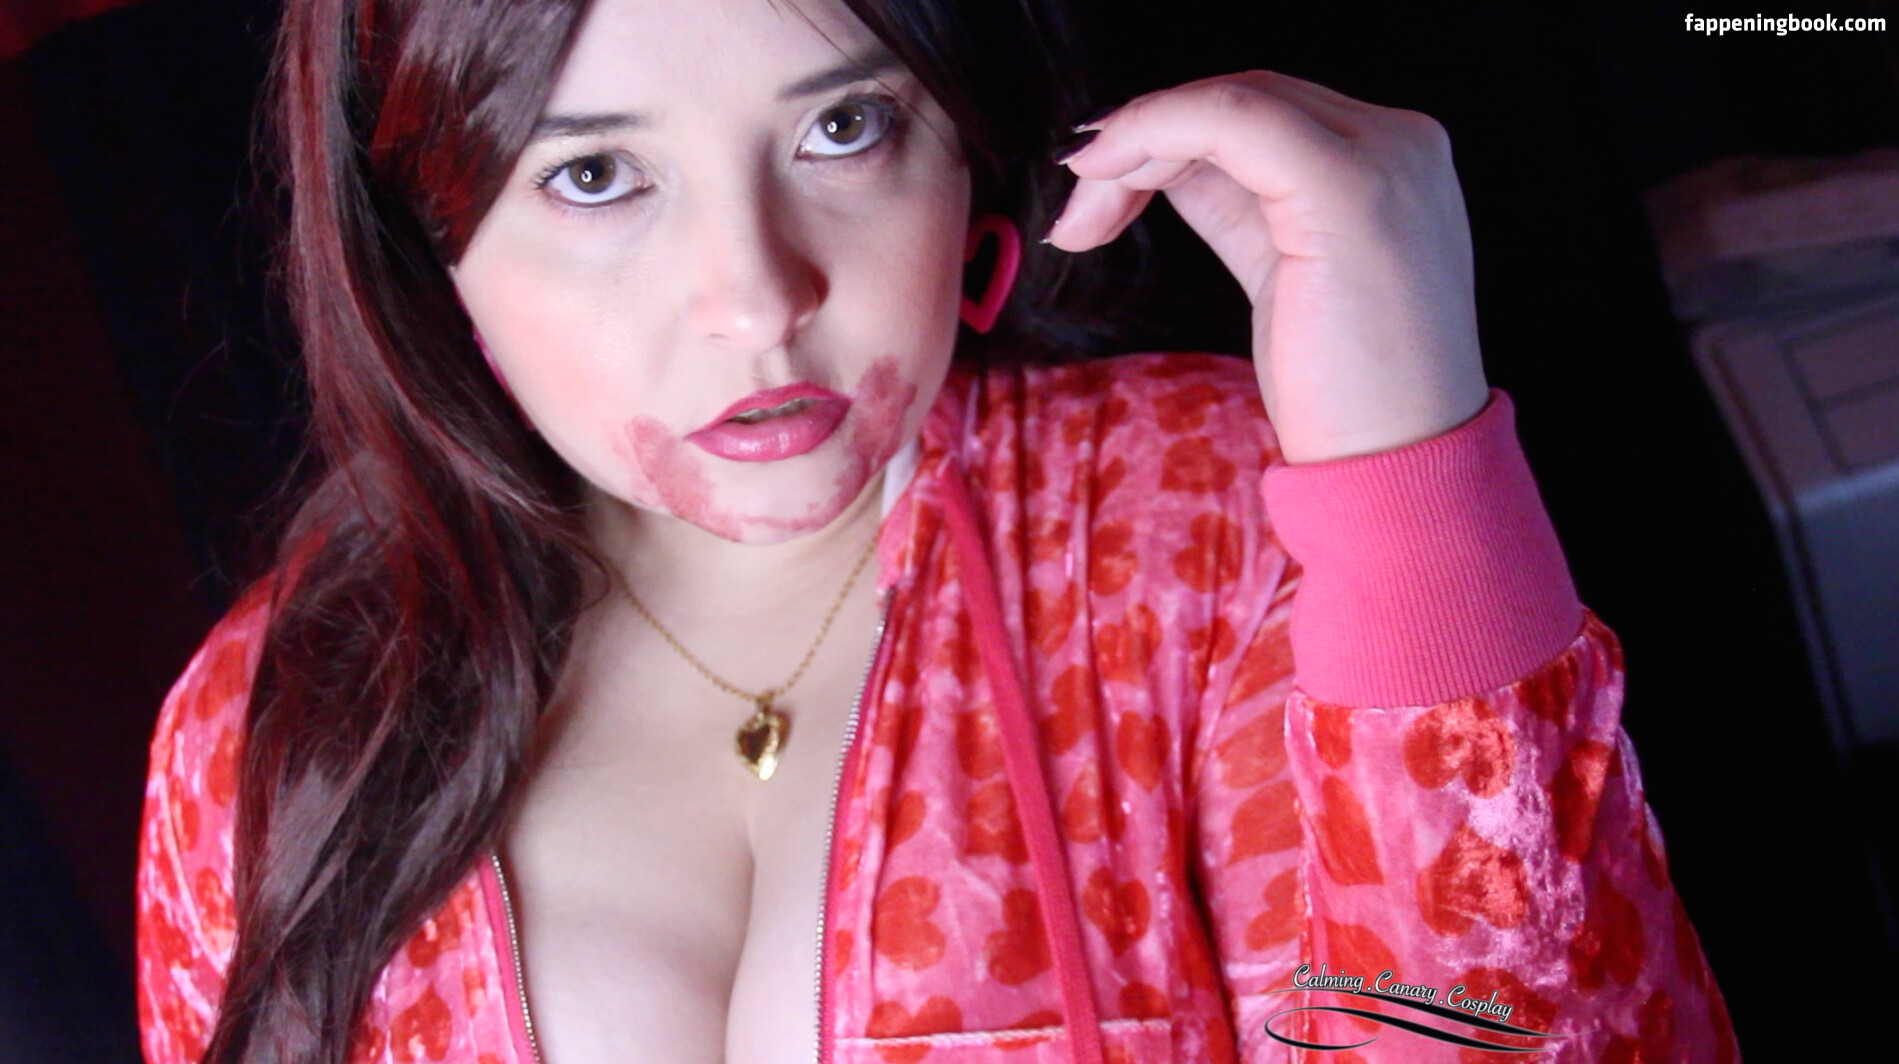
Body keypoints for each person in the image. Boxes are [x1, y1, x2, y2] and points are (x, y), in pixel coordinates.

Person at [134, 0, 1740, 1062]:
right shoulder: (272, 717)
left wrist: (1407, 457)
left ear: (966, 145)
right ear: (425, 230)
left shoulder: (1215, 518)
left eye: (843, 129)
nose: (757, 298)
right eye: (600, 173)